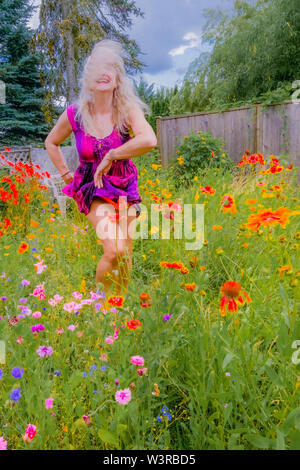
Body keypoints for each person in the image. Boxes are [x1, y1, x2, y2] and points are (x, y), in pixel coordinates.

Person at [44, 39, 157, 299]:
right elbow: (51, 142)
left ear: (118, 79)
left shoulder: (127, 111)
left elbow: (149, 140)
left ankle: (120, 306)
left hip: (124, 184)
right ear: (87, 78)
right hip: (92, 187)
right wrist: (66, 176)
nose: (103, 72)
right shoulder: (75, 114)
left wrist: (113, 155)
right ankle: (103, 308)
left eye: (110, 67)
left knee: (125, 253)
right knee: (114, 249)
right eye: (96, 67)